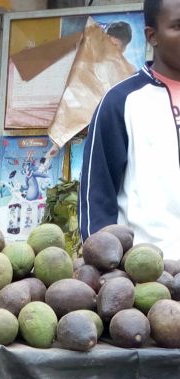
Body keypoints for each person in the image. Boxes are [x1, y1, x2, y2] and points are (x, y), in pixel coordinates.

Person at [79, 0, 180, 260]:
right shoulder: (121, 101)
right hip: (147, 270)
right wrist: (108, 267)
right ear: (152, 36)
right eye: (178, 26)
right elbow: (97, 195)